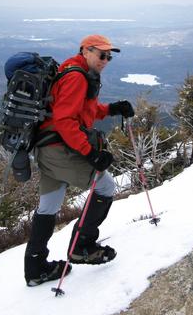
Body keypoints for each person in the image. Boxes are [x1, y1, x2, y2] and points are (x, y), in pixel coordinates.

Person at [24, 34, 134, 287]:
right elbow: (65, 121)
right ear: (85, 51)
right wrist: (90, 153)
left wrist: (111, 109)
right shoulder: (76, 76)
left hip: (47, 147)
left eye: (109, 56)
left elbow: (82, 110)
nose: (106, 60)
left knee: (49, 206)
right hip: (59, 149)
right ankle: (82, 246)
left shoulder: (75, 70)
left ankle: (35, 267)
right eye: (101, 54)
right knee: (106, 187)